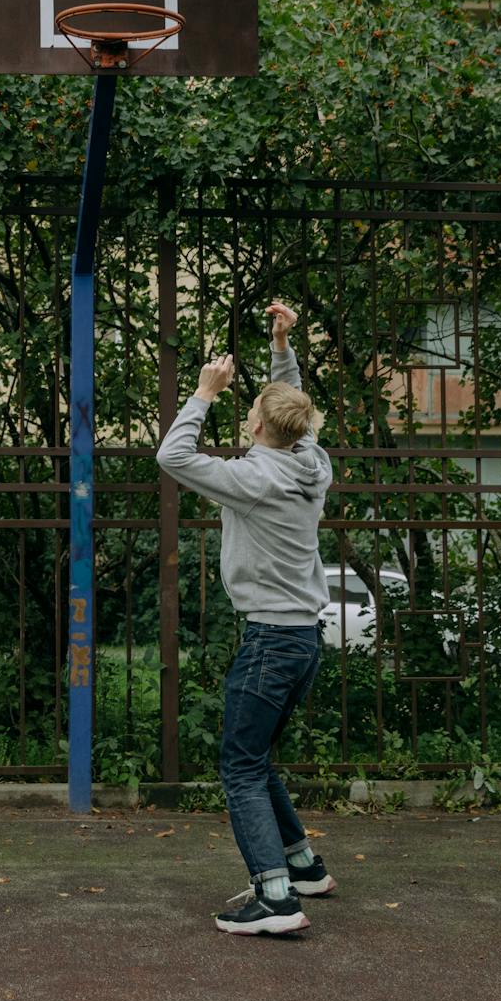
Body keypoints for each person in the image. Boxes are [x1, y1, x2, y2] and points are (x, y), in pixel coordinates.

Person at [156, 301, 338, 935]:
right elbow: (299, 411)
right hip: (304, 641)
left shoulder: (252, 477)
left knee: (238, 766)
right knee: (257, 758)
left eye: (252, 411)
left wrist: (204, 392)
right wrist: (281, 343)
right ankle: (303, 867)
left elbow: (174, 458)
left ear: (258, 425)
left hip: (269, 642)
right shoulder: (312, 464)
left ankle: (276, 898)